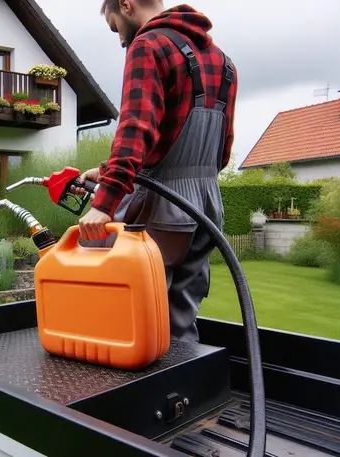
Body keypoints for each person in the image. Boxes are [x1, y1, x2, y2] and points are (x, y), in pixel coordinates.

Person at [76, 0, 238, 342]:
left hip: (162, 212)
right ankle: (181, 389)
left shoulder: (148, 46)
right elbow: (220, 153)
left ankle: (128, 392)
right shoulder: (224, 63)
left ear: (126, 4)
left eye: (115, 26)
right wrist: (106, 172)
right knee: (179, 318)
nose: (120, 39)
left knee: (130, 318)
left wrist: (103, 206)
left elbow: (137, 131)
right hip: (207, 207)